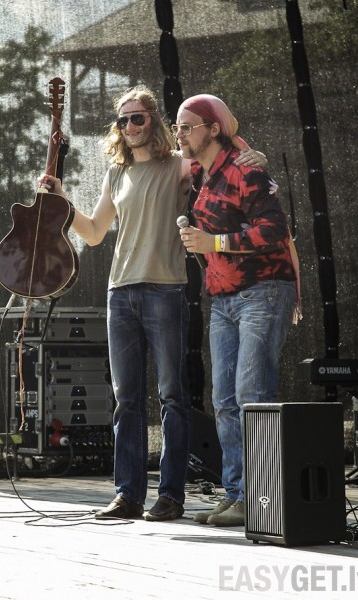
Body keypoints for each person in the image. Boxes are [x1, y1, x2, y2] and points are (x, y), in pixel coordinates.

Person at [40, 86, 267, 522]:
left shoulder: (179, 165)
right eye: (123, 120)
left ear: (154, 121)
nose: (129, 126)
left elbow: (222, 156)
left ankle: (171, 497)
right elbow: (94, 233)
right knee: (125, 399)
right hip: (120, 292)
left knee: (172, 397)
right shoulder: (116, 173)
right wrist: (63, 199)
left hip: (165, 290)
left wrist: (251, 154)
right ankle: (127, 495)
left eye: (137, 118)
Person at [176, 94, 301, 527]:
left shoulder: (246, 169)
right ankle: (237, 496)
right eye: (177, 127)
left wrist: (214, 242)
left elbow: (275, 230)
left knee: (252, 394)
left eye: (187, 126)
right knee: (225, 400)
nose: (180, 134)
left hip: (263, 291)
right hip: (223, 298)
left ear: (213, 128)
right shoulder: (198, 172)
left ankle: (262, 499)